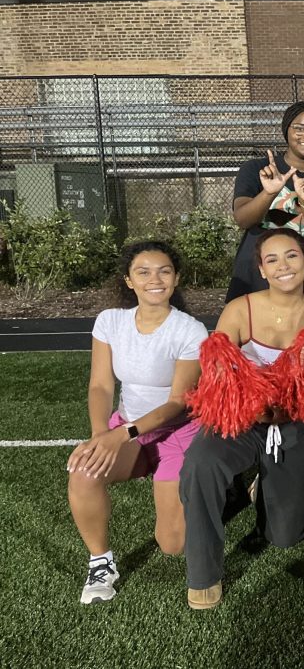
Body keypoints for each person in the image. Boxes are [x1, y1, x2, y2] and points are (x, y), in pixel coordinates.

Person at [180, 228, 304, 610]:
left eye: (292, 256)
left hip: (294, 423)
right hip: (240, 418)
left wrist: (287, 407)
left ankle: (269, 485)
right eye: (272, 260)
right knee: (200, 463)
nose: (283, 266)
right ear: (261, 269)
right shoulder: (240, 308)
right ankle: (204, 574)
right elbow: (217, 375)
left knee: (284, 536)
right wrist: (255, 404)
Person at [67, 241, 208, 604]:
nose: (154, 279)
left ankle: (210, 486)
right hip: (125, 426)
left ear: (176, 278)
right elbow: (100, 384)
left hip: (178, 432)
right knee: (84, 472)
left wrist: (121, 435)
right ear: (129, 281)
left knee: (173, 545)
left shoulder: (190, 331)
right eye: (143, 272)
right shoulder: (110, 321)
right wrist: (102, 435)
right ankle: (101, 562)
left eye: (163, 271)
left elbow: (178, 402)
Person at [228, 101, 304, 302]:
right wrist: (269, 192)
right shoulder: (257, 169)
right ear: (286, 130)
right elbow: (243, 219)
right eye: (300, 128)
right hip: (254, 281)